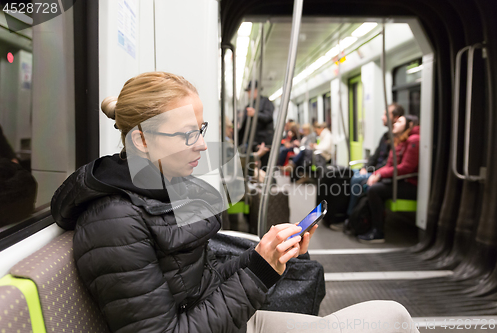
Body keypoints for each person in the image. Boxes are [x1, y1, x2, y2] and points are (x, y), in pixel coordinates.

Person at [51, 72, 419, 333]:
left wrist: (263, 255)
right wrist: (260, 272)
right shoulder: (116, 221)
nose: (200, 145)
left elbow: (201, 278)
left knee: (394, 315)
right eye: (187, 134)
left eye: (201, 130)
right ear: (142, 142)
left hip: (224, 319)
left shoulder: (167, 187)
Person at [331, 103, 405, 231]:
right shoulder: (386, 136)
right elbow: (374, 157)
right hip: (374, 170)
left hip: (382, 174)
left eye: (385, 114)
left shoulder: (399, 139)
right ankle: (339, 214)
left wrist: (371, 171)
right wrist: (365, 167)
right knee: (345, 174)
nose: (382, 117)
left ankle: (350, 218)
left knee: (357, 179)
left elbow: (389, 163)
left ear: (395, 117)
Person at [358, 115, 420, 243]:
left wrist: (380, 175)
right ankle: (361, 223)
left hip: (410, 183)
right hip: (400, 180)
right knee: (365, 183)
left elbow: (406, 168)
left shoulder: (414, 140)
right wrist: (376, 174)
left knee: (374, 190)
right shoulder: (400, 140)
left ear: (409, 125)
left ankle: (378, 231)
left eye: (399, 122)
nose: (395, 123)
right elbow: (389, 165)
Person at [238, 80, 275, 169]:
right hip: (252, 142)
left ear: (256, 90)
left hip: (264, 142)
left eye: (250, 91)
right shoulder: (249, 105)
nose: (249, 94)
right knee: (253, 166)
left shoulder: (266, 102)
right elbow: (244, 127)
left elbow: (268, 117)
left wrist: (255, 113)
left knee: (265, 167)